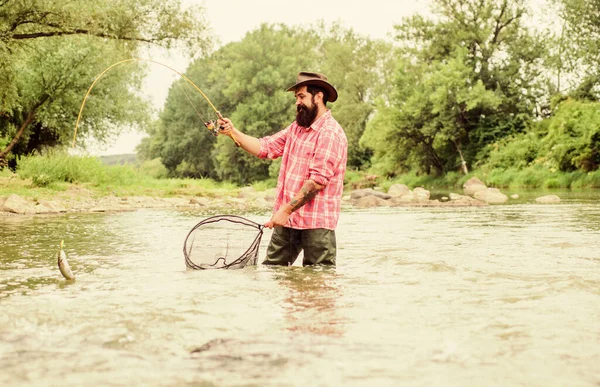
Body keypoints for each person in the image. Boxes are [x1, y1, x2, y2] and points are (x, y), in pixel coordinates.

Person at [217, 71, 348, 266]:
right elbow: (265, 147)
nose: (297, 102)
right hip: (288, 220)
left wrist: (284, 210)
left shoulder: (330, 133)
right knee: (273, 273)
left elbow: (317, 182)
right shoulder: (296, 128)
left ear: (318, 97)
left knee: (318, 284)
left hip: (317, 224)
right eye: (296, 97)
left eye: (302, 96)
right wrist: (232, 132)